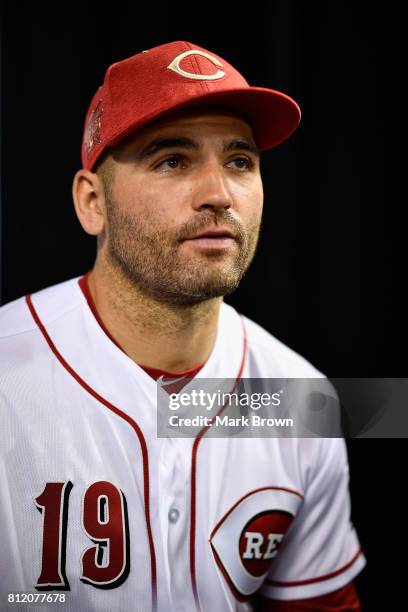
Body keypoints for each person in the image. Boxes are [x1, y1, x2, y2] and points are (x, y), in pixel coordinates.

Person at [0, 41, 366, 611]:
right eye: (173, 160)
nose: (220, 195)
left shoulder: (301, 398)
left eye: (240, 161)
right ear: (92, 202)